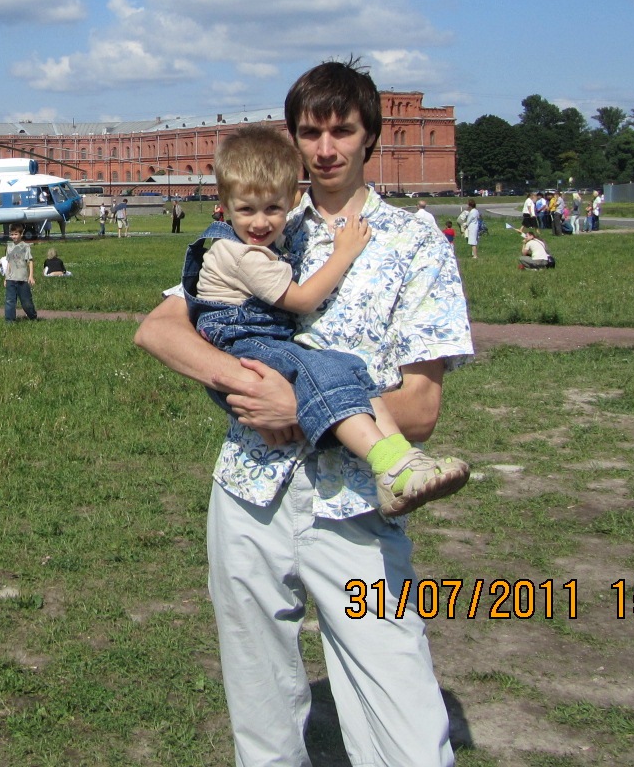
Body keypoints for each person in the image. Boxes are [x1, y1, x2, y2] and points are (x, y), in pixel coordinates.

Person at [135, 59, 473, 767]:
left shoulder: (414, 242)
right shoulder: (259, 224)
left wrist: (300, 406)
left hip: (356, 506)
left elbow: (421, 407)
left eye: (341, 131)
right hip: (249, 494)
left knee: (406, 726)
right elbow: (162, 329)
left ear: (370, 135)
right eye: (310, 133)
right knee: (262, 716)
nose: (325, 149)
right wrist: (241, 381)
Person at [182, 126, 468, 520]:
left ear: (290, 201)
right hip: (245, 340)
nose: (261, 222)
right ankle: (387, 464)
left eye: (272, 209)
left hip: (260, 340)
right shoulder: (242, 254)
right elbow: (303, 299)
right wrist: (343, 253)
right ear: (225, 206)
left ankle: (403, 457)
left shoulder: (262, 243)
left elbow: (423, 410)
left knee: (346, 369)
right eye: (247, 210)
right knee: (325, 375)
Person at [2, 224, 37, 321]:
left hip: (22, 278)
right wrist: (6, 278)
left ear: (21, 234)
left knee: (26, 302)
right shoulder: (9, 246)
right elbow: (8, 263)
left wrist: (31, 276)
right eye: (12, 234)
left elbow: (30, 261)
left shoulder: (25, 246)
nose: (14, 236)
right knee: (10, 301)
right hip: (11, 278)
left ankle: (33, 316)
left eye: (16, 234)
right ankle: (9, 321)